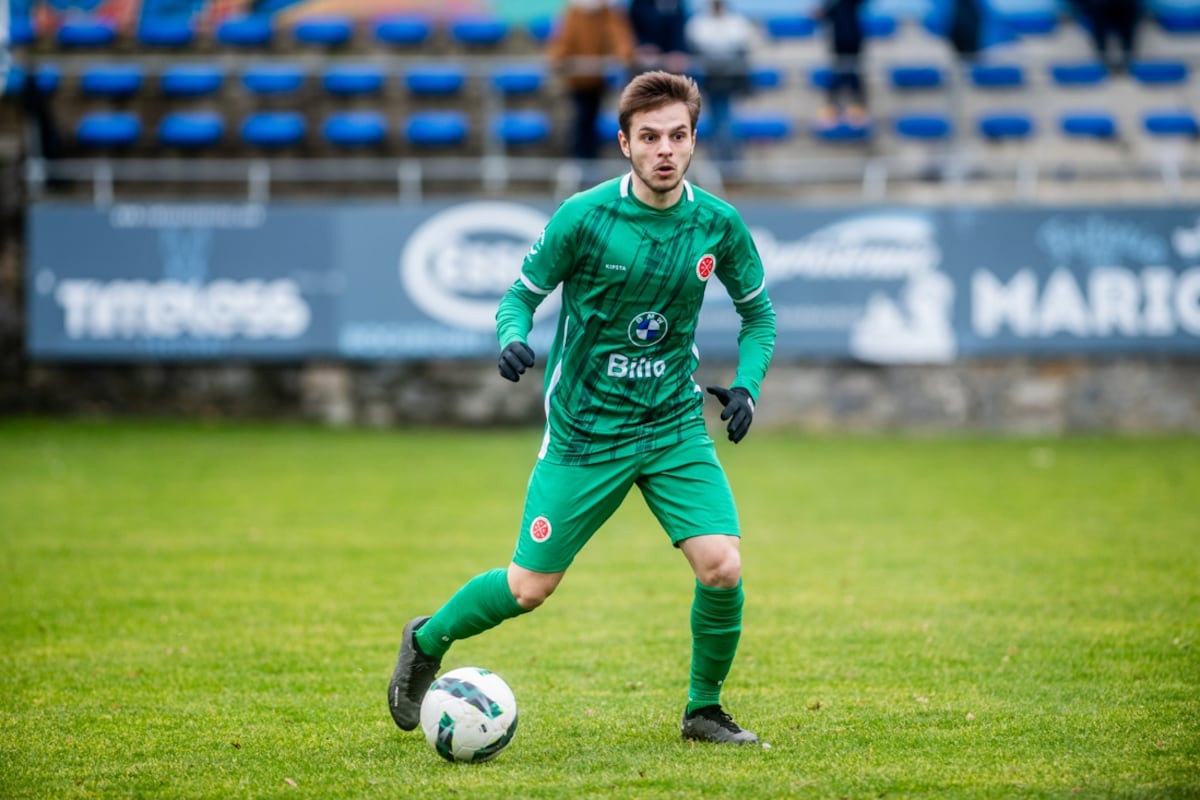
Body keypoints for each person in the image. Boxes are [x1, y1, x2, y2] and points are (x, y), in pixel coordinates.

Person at [388, 70, 777, 746]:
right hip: (584, 430)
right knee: (528, 588)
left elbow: (759, 317)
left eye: (678, 136)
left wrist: (747, 385)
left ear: (693, 141)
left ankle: (703, 710)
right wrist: (513, 340)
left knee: (723, 565)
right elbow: (519, 297)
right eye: (649, 137)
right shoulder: (585, 217)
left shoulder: (718, 224)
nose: (665, 150)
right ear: (624, 142)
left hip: (671, 424)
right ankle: (428, 638)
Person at [547, 0, 636, 161]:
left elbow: (621, 42)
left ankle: (591, 162)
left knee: (596, 124)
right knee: (581, 123)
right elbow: (561, 44)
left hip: (601, 81)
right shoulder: (573, 13)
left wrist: (621, 56)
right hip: (578, 82)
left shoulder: (608, 13)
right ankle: (581, 161)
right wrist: (560, 58)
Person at [685, 0, 759, 165]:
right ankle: (720, 163)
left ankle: (730, 163)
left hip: (732, 83)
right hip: (710, 82)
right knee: (718, 121)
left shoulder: (737, 23)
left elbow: (741, 51)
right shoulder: (698, 24)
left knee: (727, 121)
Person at [816, 0, 868, 129]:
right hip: (838, 41)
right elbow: (821, 14)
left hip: (853, 39)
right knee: (836, 75)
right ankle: (832, 109)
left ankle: (858, 109)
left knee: (854, 75)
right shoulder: (831, 3)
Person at [628, 0, 690, 75]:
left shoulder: (676, 4)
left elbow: (678, 32)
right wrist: (643, 46)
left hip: (669, 55)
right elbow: (632, 29)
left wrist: (678, 50)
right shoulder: (639, 4)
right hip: (643, 54)